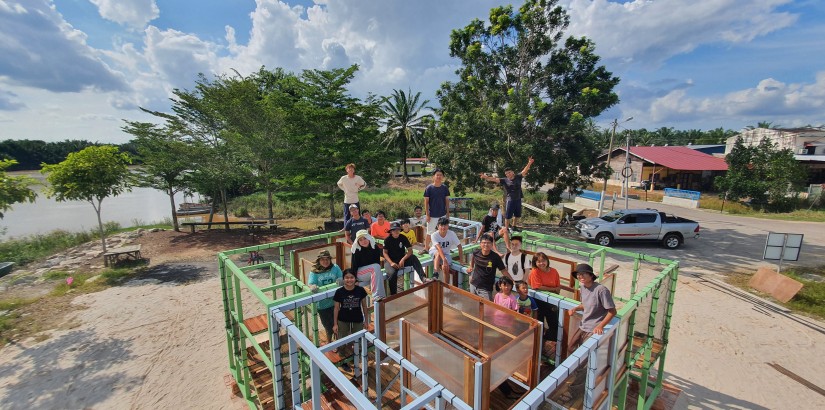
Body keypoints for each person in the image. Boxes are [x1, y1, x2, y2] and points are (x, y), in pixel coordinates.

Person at [480, 157, 534, 230]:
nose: (508, 174)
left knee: (517, 215)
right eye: (506, 174)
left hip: (518, 198)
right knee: (508, 216)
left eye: (509, 172)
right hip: (510, 199)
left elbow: (524, 170)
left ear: (512, 172)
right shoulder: (505, 180)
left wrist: (529, 163)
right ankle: (506, 228)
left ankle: (514, 226)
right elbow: (494, 179)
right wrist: (486, 177)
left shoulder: (518, 177)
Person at [568, 263, 617, 343]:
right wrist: (575, 308)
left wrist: (600, 326)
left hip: (594, 328)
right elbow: (585, 305)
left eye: (584, 274)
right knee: (571, 348)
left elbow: (613, 311)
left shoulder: (601, 290)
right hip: (583, 324)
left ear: (591, 276)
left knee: (585, 353)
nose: (581, 276)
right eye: (578, 274)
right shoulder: (583, 287)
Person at [333, 269, 369, 371]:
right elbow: (336, 308)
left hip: (357, 319)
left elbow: (364, 307)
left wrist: (366, 321)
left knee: (357, 340)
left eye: (351, 277)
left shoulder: (360, 290)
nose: (349, 280)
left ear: (355, 279)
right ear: (343, 279)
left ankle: (355, 357)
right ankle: (343, 361)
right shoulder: (339, 292)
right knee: (342, 340)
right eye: (347, 278)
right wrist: (335, 324)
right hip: (343, 320)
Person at [307, 250, 343, 343]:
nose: (325, 261)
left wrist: (340, 280)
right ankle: (329, 342)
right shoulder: (314, 271)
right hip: (322, 305)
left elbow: (341, 277)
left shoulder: (335, 267)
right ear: (319, 260)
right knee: (328, 326)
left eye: (327, 259)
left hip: (336, 302)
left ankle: (338, 342)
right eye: (323, 259)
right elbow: (311, 283)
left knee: (338, 324)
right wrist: (312, 286)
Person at [383, 221, 427, 294]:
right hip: (390, 260)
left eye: (398, 229)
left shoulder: (403, 237)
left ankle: (423, 278)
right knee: (392, 274)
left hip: (401, 258)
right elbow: (385, 253)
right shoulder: (387, 240)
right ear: (391, 232)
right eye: (394, 230)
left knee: (413, 258)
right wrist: (391, 263)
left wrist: (403, 259)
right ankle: (393, 294)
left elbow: (410, 251)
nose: (396, 231)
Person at [529, 252, 561, 341]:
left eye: (543, 261)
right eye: (538, 261)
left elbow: (558, 287)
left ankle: (550, 338)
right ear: (535, 263)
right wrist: (553, 289)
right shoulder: (535, 272)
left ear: (547, 261)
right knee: (539, 321)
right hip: (538, 301)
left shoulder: (554, 271)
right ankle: (539, 340)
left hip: (552, 301)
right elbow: (537, 286)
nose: (541, 263)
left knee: (554, 322)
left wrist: (554, 290)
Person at [469, 233, 507, 301]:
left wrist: (513, 281)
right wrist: (471, 266)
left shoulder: (495, 257)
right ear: (480, 244)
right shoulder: (476, 252)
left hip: (485, 289)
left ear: (492, 244)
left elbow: (503, 270)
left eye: (488, 243)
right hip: (473, 284)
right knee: (473, 304)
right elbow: (473, 257)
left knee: (488, 308)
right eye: (484, 243)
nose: (486, 245)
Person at [350, 230, 386, 300]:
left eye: (365, 238)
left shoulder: (375, 247)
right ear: (358, 242)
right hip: (359, 273)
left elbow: (377, 262)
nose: (363, 241)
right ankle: (376, 295)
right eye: (360, 240)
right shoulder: (356, 250)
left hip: (370, 272)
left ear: (368, 238)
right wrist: (354, 280)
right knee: (375, 267)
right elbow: (354, 266)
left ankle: (382, 297)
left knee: (378, 270)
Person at [423, 169, 450, 250]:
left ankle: (445, 248)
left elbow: (447, 201)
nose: (439, 176)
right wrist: (427, 215)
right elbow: (426, 203)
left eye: (440, 175)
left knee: (444, 231)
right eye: (437, 175)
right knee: (429, 232)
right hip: (432, 215)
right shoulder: (429, 188)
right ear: (433, 176)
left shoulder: (445, 188)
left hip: (442, 214)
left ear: (443, 177)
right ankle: (426, 248)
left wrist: (448, 213)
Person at [429, 217, 461, 281]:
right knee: (438, 253)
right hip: (434, 251)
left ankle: (446, 285)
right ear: (438, 226)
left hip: (446, 253)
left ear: (448, 226)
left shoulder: (452, 234)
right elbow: (439, 249)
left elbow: (459, 246)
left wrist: (461, 260)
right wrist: (444, 260)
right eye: (441, 225)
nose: (443, 227)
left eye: (445, 225)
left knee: (445, 268)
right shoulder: (434, 235)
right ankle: (435, 273)